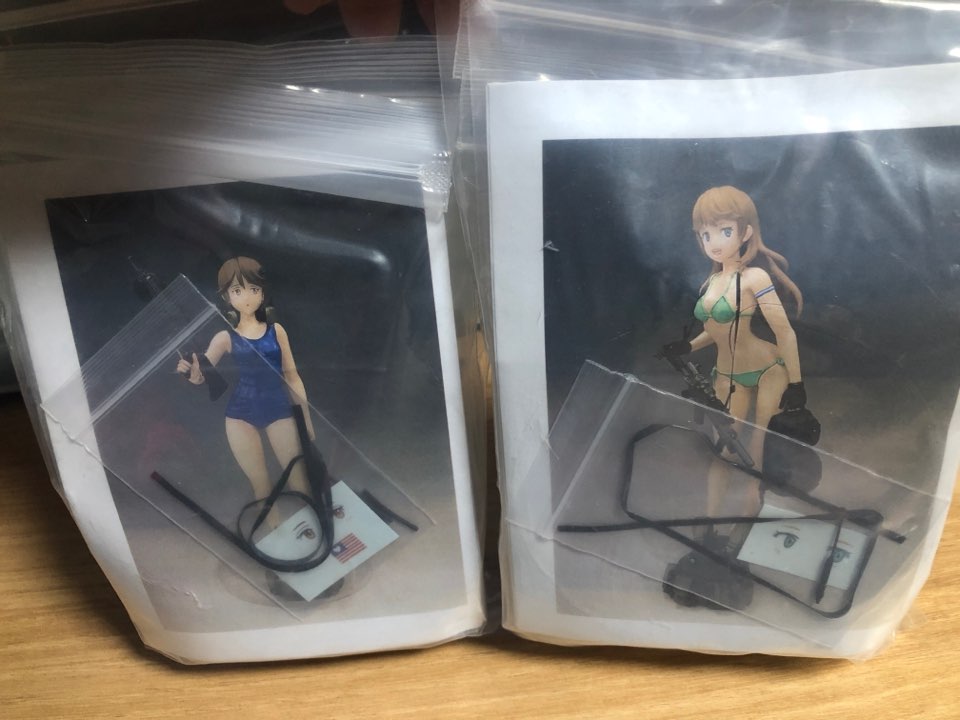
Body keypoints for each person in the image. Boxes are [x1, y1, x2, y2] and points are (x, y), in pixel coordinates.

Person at [660, 186, 807, 533]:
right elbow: (716, 330)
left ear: (746, 232)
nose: (714, 241)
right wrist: (687, 347)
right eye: (705, 234)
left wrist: (797, 382)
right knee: (724, 449)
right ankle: (711, 523)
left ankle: (745, 531)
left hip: (768, 369)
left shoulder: (755, 277)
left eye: (725, 231)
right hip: (726, 375)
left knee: (757, 448)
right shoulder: (712, 281)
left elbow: (784, 332)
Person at [178, 257, 314, 507]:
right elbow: (203, 374)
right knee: (260, 484)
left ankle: (312, 522)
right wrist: (190, 371)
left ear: (262, 293)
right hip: (240, 414)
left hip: (278, 408)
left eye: (253, 289)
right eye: (237, 291)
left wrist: (306, 419)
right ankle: (274, 528)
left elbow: (292, 376)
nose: (247, 297)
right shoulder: (225, 337)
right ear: (227, 297)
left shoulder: (276, 331)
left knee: (298, 477)